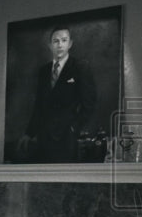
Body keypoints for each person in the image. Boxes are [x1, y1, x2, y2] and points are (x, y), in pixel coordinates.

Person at [20, 26, 97, 163]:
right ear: (50, 45)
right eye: (56, 41)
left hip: (67, 137)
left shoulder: (80, 67)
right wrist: (28, 133)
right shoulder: (43, 71)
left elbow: (89, 104)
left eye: (64, 40)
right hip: (44, 138)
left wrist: (74, 128)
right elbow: (39, 105)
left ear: (70, 44)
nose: (60, 44)